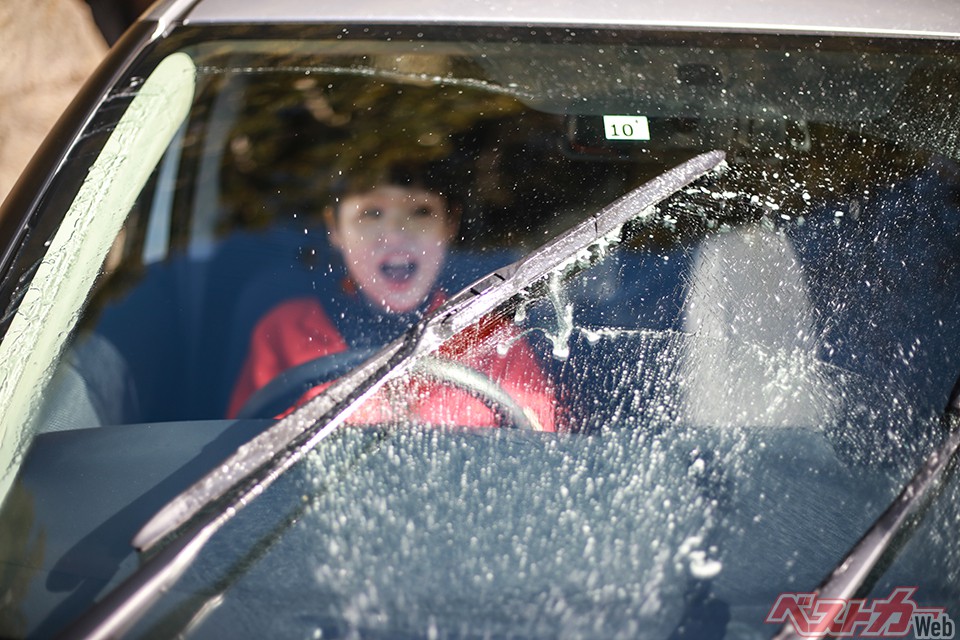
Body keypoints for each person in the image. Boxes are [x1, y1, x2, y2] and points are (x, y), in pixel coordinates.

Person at [227, 161, 557, 430]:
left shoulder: (489, 335)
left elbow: (538, 451)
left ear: (449, 224)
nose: (398, 233)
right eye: (371, 213)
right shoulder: (285, 331)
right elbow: (245, 455)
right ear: (336, 228)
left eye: (420, 212)